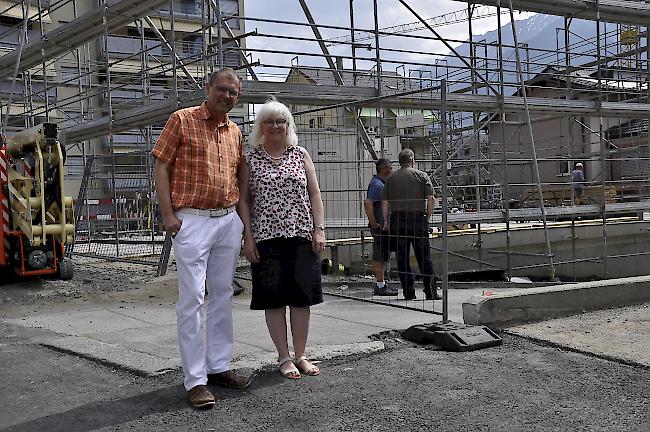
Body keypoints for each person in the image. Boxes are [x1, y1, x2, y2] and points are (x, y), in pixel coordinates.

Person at [152, 67, 250, 410]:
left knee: (222, 294)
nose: (228, 96)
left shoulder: (235, 130)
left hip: (226, 219)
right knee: (192, 298)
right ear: (207, 88)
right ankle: (195, 380)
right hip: (192, 219)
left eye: (234, 93)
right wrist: (168, 216)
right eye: (222, 89)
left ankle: (218, 366)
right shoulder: (182, 119)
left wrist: (240, 220)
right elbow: (161, 165)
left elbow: (239, 172)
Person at [238, 97, 325, 380]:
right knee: (274, 300)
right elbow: (244, 201)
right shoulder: (249, 157)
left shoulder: (301, 154)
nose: (275, 126)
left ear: (288, 125)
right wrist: (247, 237)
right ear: (260, 126)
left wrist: (319, 229)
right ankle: (284, 357)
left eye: (280, 121)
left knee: (302, 299)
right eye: (269, 121)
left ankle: (301, 355)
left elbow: (314, 193)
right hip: (266, 238)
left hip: (302, 235)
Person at [381, 148, 441, 301]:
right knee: (424, 256)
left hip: (398, 220)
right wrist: (427, 217)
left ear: (400, 162)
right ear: (412, 160)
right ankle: (430, 291)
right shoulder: (422, 176)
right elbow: (431, 199)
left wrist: (387, 221)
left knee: (402, 257)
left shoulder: (391, 179)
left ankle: (409, 292)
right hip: (417, 219)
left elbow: (385, 202)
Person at [364, 158, 397, 296]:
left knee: (383, 255)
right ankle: (380, 284)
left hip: (382, 226)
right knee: (380, 255)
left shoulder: (380, 184)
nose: (392, 170)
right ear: (383, 169)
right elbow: (368, 203)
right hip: (380, 227)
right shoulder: (378, 185)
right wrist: (373, 222)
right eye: (390, 167)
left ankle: (381, 283)